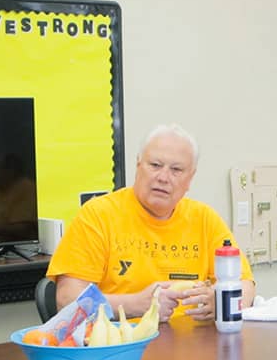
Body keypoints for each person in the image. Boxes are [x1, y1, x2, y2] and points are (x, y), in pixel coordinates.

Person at [47, 123, 255, 322]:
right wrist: (137, 304)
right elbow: (67, 301)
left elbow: (245, 285)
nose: (163, 177)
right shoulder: (97, 216)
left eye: (176, 170)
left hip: (192, 347)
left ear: (190, 179)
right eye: (155, 165)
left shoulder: (205, 219)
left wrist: (220, 301)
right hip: (120, 347)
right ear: (138, 165)